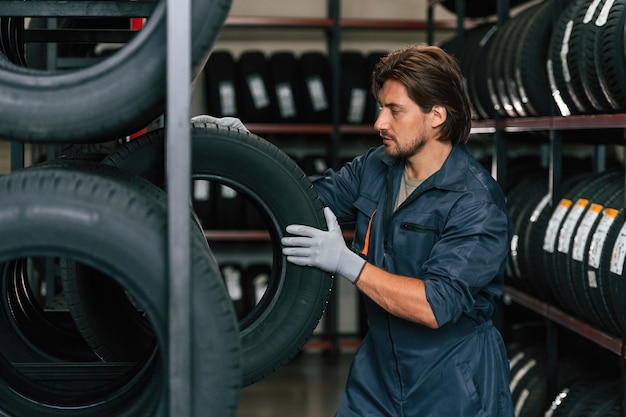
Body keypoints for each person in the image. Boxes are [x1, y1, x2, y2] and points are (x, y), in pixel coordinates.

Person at [281, 44, 515, 417]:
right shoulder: (375, 168)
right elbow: (301, 199)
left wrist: (349, 264)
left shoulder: (476, 202)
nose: (379, 123)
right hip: (378, 373)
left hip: (453, 380)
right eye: (381, 107)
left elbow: (434, 305)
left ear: (436, 115)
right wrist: (248, 153)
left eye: (395, 110)